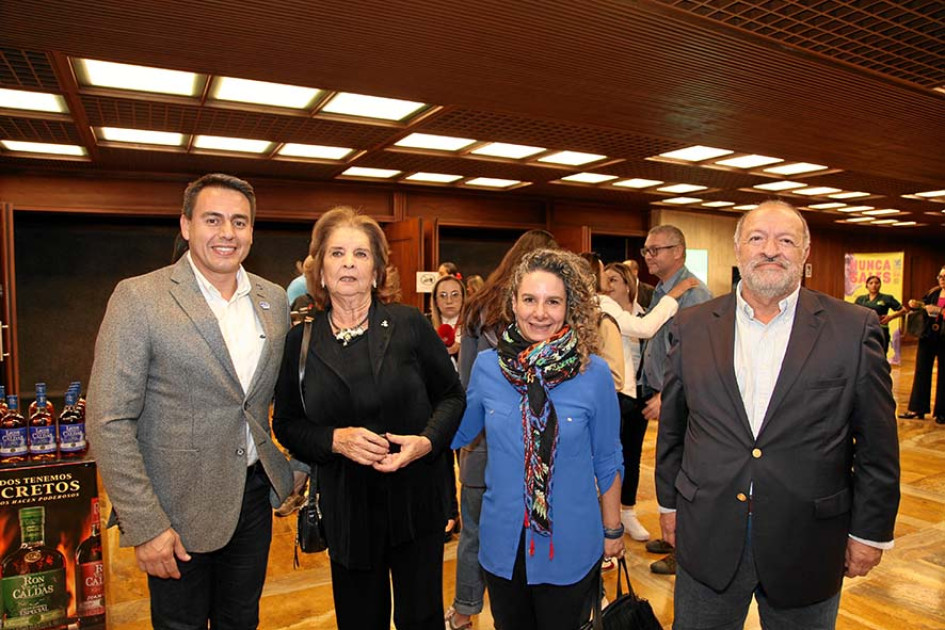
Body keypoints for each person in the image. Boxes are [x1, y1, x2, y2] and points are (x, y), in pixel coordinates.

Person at [656, 200, 901, 629]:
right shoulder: (692, 326)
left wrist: (869, 532)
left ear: (805, 253)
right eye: (757, 238)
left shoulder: (853, 328)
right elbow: (674, 428)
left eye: (786, 240)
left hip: (808, 542)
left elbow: (878, 445)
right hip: (707, 534)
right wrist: (669, 505)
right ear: (738, 249)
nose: (770, 250)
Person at [87, 173, 295, 629]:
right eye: (212, 220)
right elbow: (108, 420)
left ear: (252, 231)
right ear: (185, 225)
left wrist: (296, 465)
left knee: (242, 620)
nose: (227, 233)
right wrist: (146, 525)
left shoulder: (273, 299)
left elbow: (275, 400)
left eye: (239, 222)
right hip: (174, 511)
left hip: (251, 500)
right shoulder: (139, 297)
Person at [271, 206, 465, 630]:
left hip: (416, 501)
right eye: (337, 253)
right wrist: (334, 440)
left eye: (360, 254)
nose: (348, 264)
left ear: (377, 271)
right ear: (320, 272)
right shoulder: (300, 342)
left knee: (422, 619)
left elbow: (452, 396)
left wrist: (427, 441)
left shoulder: (409, 325)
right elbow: (286, 424)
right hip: (348, 509)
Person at [452, 248, 624, 630]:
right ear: (513, 303)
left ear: (569, 307)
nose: (540, 313)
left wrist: (613, 529)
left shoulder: (593, 374)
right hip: (502, 543)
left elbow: (608, 457)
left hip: (571, 543)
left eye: (553, 302)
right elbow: (460, 431)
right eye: (530, 299)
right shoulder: (487, 367)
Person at [446, 229, 559, 630]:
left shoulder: (478, 308)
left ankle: (464, 610)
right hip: (535, 449)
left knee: (475, 534)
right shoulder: (550, 317)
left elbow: (466, 388)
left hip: (481, 447)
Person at [602, 261, 697, 542]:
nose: (607, 285)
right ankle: (608, 518)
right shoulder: (605, 310)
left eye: (614, 279)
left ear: (628, 285)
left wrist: (661, 394)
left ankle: (627, 512)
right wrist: (675, 293)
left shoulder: (642, 312)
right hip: (612, 395)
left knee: (631, 455)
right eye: (605, 278)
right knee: (610, 458)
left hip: (638, 396)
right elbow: (644, 329)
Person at [636, 224, 712, 573]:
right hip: (667, 393)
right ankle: (673, 536)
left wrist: (667, 396)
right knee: (668, 469)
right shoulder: (663, 290)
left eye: (656, 250)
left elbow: (697, 355)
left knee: (685, 474)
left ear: (678, 252)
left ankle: (686, 550)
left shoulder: (693, 294)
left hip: (684, 398)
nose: (648, 257)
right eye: (646, 250)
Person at [429, 273, 467, 539]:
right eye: (442, 296)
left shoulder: (474, 329)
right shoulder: (426, 329)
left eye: (455, 294)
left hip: (468, 405)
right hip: (439, 406)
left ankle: (470, 516)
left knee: (467, 464)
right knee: (441, 465)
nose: (449, 300)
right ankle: (449, 515)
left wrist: (460, 349)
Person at [898, 266, 945, 424]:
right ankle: (917, 408)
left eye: (944, 277)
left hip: (944, 337)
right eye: (940, 276)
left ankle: (942, 412)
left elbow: (939, 311)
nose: (942, 280)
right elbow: (924, 306)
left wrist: (939, 311)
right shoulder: (933, 292)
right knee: (921, 371)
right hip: (928, 335)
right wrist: (916, 305)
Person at [854, 275, 905, 355]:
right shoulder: (860, 299)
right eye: (871, 283)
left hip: (881, 329)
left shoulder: (887, 298)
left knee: (880, 353)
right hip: (864, 330)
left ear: (880, 285)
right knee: (864, 354)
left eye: (876, 283)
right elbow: (854, 312)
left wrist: (891, 317)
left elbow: (903, 310)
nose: (874, 285)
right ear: (867, 285)